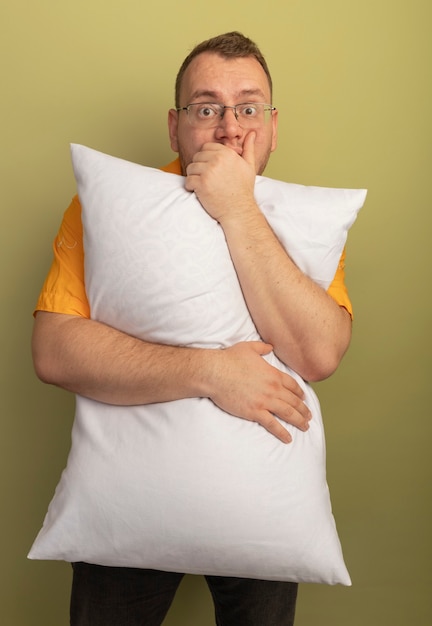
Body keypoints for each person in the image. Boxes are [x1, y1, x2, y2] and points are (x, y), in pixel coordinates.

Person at [32, 31, 353, 626]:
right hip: (127, 501)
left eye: (248, 107)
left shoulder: (306, 223)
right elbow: (54, 351)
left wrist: (237, 206)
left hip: (265, 507)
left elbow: (320, 352)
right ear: (175, 126)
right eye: (207, 109)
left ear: (273, 126)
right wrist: (210, 372)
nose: (230, 128)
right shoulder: (108, 208)